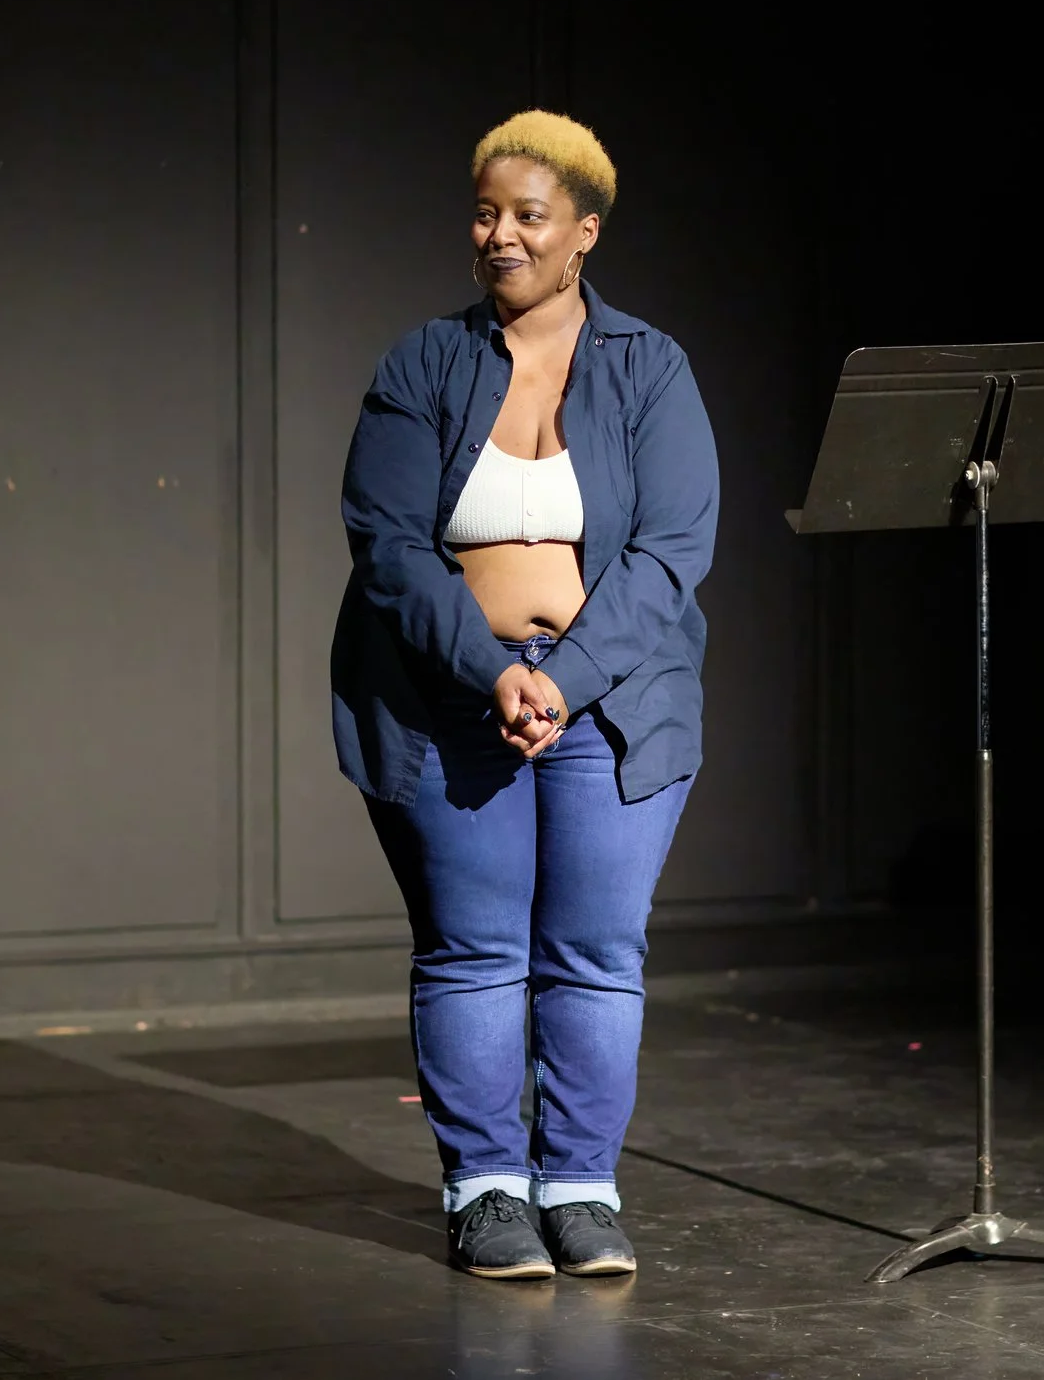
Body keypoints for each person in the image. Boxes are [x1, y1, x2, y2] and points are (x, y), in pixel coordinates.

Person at [331, 110, 719, 1280]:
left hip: (611, 705)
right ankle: (487, 1185)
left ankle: (583, 1185)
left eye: (527, 216)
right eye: (486, 212)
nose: (499, 234)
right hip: (451, 698)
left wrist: (562, 677)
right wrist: (494, 668)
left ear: (582, 234)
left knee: (596, 951)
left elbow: (671, 552)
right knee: (471, 951)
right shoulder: (423, 362)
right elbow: (387, 543)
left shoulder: (649, 365)